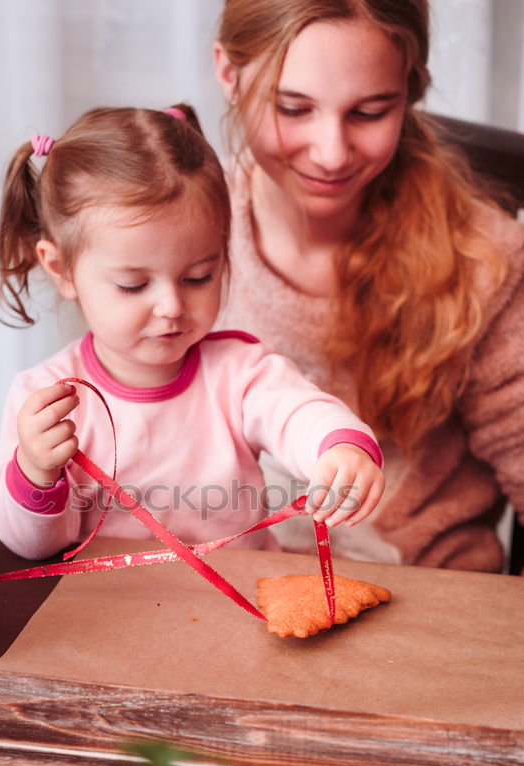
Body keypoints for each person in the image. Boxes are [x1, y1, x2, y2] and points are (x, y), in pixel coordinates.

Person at [0, 104, 384, 560]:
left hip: (242, 604)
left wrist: (338, 448)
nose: (172, 307)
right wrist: (36, 472)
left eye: (198, 277)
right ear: (61, 269)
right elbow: (32, 546)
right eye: (134, 285)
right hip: (107, 616)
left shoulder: (240, 373)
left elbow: (297, 412)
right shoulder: (44, 400)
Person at [213, 0, 524, 572]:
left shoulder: (484, 261)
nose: (331, 153)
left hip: (431, 593)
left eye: (370, 112)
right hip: (230, 584)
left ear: (409, 91)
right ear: (229, 75)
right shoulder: (179, 243)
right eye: (293, 108)